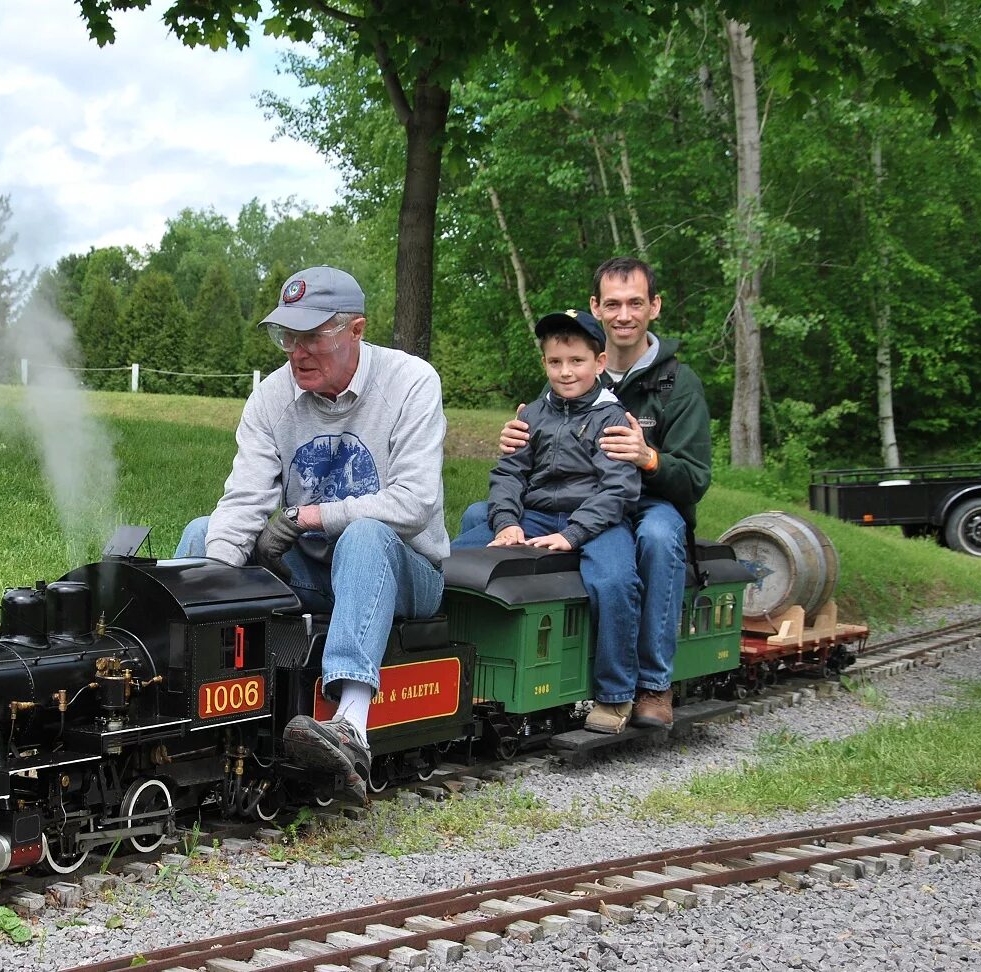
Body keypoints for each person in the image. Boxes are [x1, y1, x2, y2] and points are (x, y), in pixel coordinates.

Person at [174, 265, 448, 800]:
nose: (297, 352)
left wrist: (310, 517)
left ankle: (350, 725)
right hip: (316, 568)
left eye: (312, 337)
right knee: (203, 532)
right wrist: (213, 581)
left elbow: (414, 504)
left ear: (356, 330)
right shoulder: (272, 398)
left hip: (407, 571)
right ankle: (189, 700)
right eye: (287, 337)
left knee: (365, 535)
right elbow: (246, 499)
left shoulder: (412, 382)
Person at [463, 257, 712, 731]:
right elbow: (528, 456)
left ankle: (650, 684)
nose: (624, 314)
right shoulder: (563, 375)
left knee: (656, 538)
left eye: (635, 303)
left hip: (646, 501)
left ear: (653, 307)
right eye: (613, 304)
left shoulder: (678, 383)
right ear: (597, 308)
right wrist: (513, 448)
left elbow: (695, 478)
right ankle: (467, 649)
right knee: (477, 519)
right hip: (560, 506)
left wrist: (649, 458)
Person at [451, 310, 642, 731]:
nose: (566, 371)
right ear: (544, 364)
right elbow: (508, 474)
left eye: (576, 361)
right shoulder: (534, 414)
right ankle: (447, 668)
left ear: (599, 362)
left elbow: (617, 490)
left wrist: (572, 535)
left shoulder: (612, 418)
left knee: (614, 579)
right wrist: (506, 523)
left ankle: (615, 694)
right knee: (449, 559)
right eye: (555, 362)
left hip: (597, 521)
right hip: (534, 516)